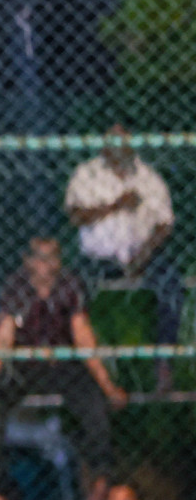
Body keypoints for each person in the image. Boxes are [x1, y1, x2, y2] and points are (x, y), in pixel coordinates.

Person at [0, 237, 124, 497]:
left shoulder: (69, 284)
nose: (46, 264)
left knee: (93, 399)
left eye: (52, 256)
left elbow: (83, 335)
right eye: (40, 257)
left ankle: (102, 473)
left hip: (62, 365)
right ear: (28, 261)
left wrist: (108, 386)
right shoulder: (17, 286)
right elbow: (3, 339)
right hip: (25, 366)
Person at [65, 125, 180, 372]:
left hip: (142, 254)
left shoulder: (149, 177)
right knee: (73, 293)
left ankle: (163, 364)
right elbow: (75, 216)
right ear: (104, 145)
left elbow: (165, 223)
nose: (118, 145)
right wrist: (115, 205)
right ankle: (80, 365)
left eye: (123, 140)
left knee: (172, 286)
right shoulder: (87, 174)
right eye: (112, 140)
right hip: (99, 257)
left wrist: (144, 254)